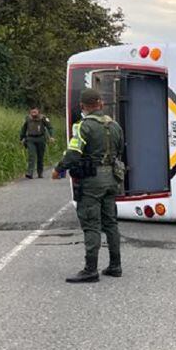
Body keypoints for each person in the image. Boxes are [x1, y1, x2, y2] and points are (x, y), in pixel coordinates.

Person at [52, 88, 125, 283]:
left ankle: (90, 270)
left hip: (92, 182)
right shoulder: (115, 125)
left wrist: (58, 169)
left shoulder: (83, 126)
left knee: (91, 224)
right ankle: (115, 265)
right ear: (100, 103)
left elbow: (74, 153)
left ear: (83, 106)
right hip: (112, 179)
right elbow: (120, 150)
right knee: (111, 223)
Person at [20, 107, 54, 178]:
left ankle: (40, 172)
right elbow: (23, 129)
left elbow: (50, 127)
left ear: (38, 112)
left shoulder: (43, 118)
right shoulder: (28, 118)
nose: (33, 113)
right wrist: (22, 138)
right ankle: (30, 173)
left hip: (41, 139)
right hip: (30, 139)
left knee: (40, 156)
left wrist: (51, 136)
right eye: (32, 112)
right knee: (31, 156)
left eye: (35, 112)